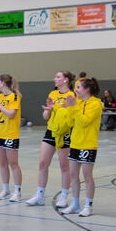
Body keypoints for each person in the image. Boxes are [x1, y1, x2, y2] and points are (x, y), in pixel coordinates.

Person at [26, 71, 75, 208]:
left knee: (64, 166)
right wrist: (48, 109)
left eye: (58, 77)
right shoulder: (53, 94)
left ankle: (64, 196)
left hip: (64, 133)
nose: (55, 79)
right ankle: (40, 195)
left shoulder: (71, 96)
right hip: (51, 131)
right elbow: (45, 116)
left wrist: (58, 108)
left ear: (65, 80)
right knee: (42, 163)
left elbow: (71, 117)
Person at [61, 78, 102, 217]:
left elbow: (84, 122)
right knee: (73, 175)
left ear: (87, 89)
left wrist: (74, 107)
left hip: (88, 144)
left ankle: (88, 206)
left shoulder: (95, 104)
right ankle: (75, 204)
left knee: (87, 175)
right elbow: (70, 122)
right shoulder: (77, 102)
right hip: (75, 143)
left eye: (78, 87)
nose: (75, 90)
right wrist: (70, 108)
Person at [0, 74, 22, 202]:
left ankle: (17, 191)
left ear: (3, 82)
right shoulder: (1, 97)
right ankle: (5, 189)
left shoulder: (14, 96)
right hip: (0, 133)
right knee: (2, 164)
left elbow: (10, 114)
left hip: (11, 134)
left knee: (13, 164)